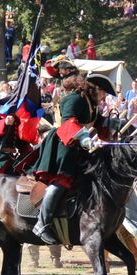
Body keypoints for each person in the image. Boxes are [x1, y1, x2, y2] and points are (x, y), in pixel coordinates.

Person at [30, 73, 121, 245]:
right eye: (103, 93)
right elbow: (68, 123)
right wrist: (84, 136)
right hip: (63, 146)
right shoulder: (74, 99)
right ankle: (42, 223)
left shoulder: (91, 104)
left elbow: (99, 123)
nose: (103, 97)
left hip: (78, 147)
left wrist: (115, 124)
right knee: (60, 183)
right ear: (95, 89)